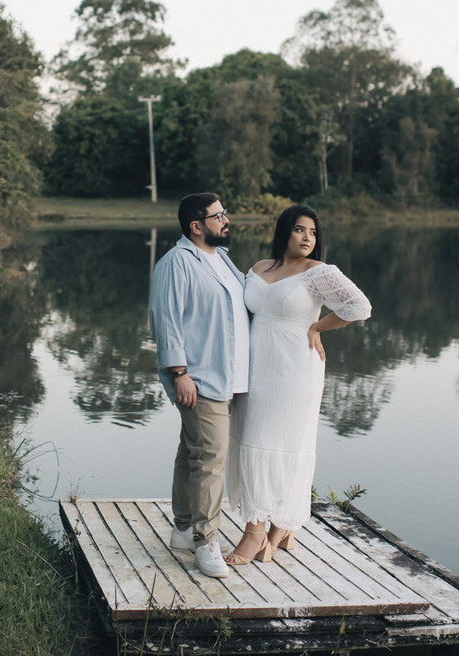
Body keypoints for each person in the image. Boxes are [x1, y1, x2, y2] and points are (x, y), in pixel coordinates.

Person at [224, 205, 371, 565]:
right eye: (300, 230)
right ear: (284, 232)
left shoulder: (317, 272)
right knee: (249, 441)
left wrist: (317, 327)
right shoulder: (261, 268)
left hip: (294, 369)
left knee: (275, 443)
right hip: (256, 369)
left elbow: (359, 306)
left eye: (313, 233)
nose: (307, 238)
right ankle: (281, 529)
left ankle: (257, 532)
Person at [148, 192, 249, 579]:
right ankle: (207, 544)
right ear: (196, 225)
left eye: (225, 212)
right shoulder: (176, 264)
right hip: (200, 377)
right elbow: (165, 319)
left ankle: (184, 528)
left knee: (190, 451)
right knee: (210, 459)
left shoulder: (221, 259)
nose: (226, 219)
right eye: (218, 215)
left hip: (229, 376)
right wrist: (178, 373)